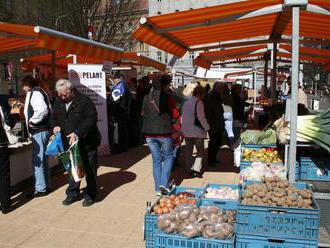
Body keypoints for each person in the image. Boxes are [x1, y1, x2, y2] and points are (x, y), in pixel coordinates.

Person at [50, 79, 101, 207]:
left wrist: (77, 132)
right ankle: (72, 193)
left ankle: (90, 194)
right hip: (70, 144)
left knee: (90, 169)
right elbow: (53, 117)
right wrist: (55, 126)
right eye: (60, 94)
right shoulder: (58, 102)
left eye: (65, 94)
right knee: (72, 170)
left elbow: (91, 118)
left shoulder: (84, 101)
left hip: (87, 142)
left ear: (71, 90)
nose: (62, 97)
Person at [142, 75, 179, 196]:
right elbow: (175, 114)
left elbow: (143, 113)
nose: (169, 87)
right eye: (168, 85)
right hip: (164, 132)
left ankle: (158, 188)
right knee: (168, 157)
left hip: (149, 133)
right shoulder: (168, 98)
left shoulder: (146, 97)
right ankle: (163, 185)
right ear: (164, 85)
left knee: (156, 160)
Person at [22, 75, 51, 198]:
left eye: (23, 85)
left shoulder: (35, 93)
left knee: (37, 160)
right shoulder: (40, 91)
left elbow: (43, 110)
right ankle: (46, 185)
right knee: (43, 159)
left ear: (27, 84)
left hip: (38, 130)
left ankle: (40, 188)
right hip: (43, 130)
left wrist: (32, 122)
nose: (23, 89)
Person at [181, 85, 210, 178]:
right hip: (197, 131)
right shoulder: (199, 103)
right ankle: (197, 169)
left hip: (187, 130)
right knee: (200, 150)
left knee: (188, 151)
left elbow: (183, 117)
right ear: (200, 94)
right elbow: (201, 117)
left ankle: (189, 169)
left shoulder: (186, 103)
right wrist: (207, 127)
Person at [205, 82, 225, 166]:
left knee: (217, 141)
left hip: (216, 122)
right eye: (221, 87)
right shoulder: (213, 96)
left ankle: (212, 158)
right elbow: (210, 110)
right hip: (214, 123)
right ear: (217, 88)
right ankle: (211, 160)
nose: (222, 89)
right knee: (214, 142)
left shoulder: (216, 95)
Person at [111, 71, 131, 153]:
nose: (114, 80)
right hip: (124, 112)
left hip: (119, 113)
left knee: (119, 131)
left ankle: (120, 148)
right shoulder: (125, 85)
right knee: (123, 131)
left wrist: (112, 113)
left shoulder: (119, 86)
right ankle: (124, 147)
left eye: (114, 78)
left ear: (118, 78)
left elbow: (115, 101)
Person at [0, 105, 12, 214]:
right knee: (4, 175)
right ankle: (5, 205)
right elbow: (8, 124)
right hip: (1, 144)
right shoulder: (1, 108)